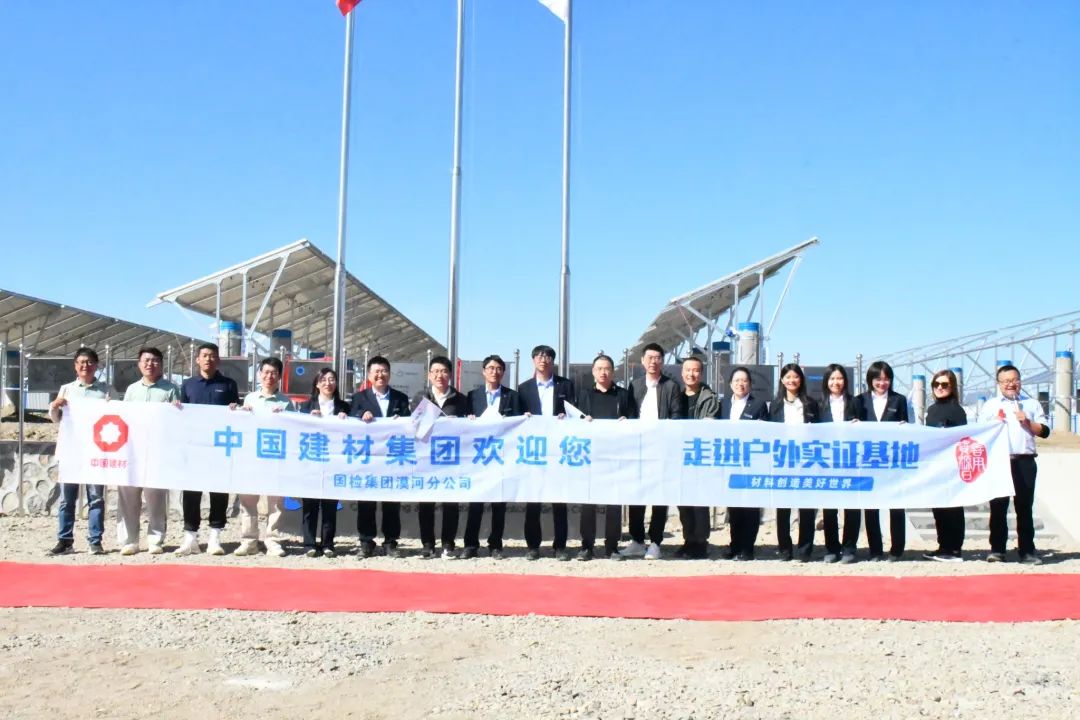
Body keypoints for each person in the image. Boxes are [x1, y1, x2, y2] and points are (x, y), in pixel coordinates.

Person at [977, 364, 1050, 564]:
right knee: (998, 507)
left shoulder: (1032, 404)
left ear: (1020, 381)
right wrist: (993, 423)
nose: (1011, 384)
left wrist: (1028, 422)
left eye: (1014, 380)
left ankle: (1027, 551)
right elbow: (980, 433)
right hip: (999, 462)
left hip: (1025, 461)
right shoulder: (990, 406)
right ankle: (997, 549)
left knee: (1024, 508)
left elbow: (1045, 431)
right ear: (999, 383)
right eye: (1006, 381)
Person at [47, 347, 111, 556]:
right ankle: (65, 541)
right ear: (75, 366)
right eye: (81, 362)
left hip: (97, 452)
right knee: (67, 499)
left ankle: (95, 541)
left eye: (90, 362)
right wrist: (55, 406)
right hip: (71, 451)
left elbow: (116, 416)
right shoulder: (66, 389)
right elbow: (56, 419)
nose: (86, 366)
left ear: (97, 365)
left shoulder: (106, 390)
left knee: (96, 498)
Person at [177, 342, 239, 556]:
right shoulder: (188, 385)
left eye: (212, 356)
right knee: (191, 492)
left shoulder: (229, 384)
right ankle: (190, 537)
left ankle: (215, 537)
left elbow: (237, 415)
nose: (208, 359)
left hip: (219, 448)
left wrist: (235, 409)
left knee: (219, 491)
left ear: (218, 360)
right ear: (197, 359)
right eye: (204, 355)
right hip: (194, 447)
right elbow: (181, 415)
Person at [625, 343, 686, 560]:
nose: (653, 361)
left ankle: (655, 542)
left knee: (660, 496)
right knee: (637, 495)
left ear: (662, 361)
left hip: (662, 449)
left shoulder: (671, 386)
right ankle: (637, 540)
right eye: (649, 357)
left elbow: (677, 415)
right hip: (639, 448)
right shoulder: (635, 385)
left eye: (658, 358)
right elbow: (630, 414)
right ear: (642, 361)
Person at [575, 354, 638, 560]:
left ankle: (612, 546)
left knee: (614, 503)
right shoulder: (584, 395)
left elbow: (634, 419)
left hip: (616, 457)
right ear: (593, 372)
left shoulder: (623, 394)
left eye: (607, 369)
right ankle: (587, 546)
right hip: (590, 456)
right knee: (588, 502)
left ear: (613, 372)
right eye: (599, 368)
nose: (603, 372)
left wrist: (626, 421)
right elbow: (574, 423)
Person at [118, 347, 180, 556]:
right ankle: (129, 540)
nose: (150, 364)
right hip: (132, 451)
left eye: (154, 361)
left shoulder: (171, 389)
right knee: (128, 497)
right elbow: (123, 417)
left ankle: (155, 540)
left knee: (156, 499)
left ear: (161, 364)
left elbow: (176, 420)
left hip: (157, 452)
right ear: (139, 364)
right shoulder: (131, 390)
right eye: (146, 360)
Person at [517, 344, 576, 561]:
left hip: (559, 451)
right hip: (534, 451)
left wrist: (566, 418)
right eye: (540, 356)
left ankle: (560, 546)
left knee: (559, 501)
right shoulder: (523, 388)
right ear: (533, 360)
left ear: (553, 361)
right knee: (533, 501)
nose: (544, 360)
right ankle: (533, 546)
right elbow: (516, 418)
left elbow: (574, 411)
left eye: (548, 356)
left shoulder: (566, 385)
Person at [350, 356, 411, 558]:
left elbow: (409, 424)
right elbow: (350, 422)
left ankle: (390, 542)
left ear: (389, 374)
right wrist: (361, 416)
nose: (380, 375)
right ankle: (366, 542)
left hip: (392, 458)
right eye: (376, 371)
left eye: (384, 371)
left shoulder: (401, 398)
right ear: (369, 375)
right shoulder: (359, 398)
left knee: (391, 502)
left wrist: (401, 421)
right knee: (366, 502)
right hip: (369, 459)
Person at [463, 354, 522, 560]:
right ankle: (471, 544)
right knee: (475, 503)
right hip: (479, 458)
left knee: (499, 504)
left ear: (503, 372)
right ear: (483, 371)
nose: (494, 372)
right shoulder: (472, 396)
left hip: (501, 457)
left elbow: (519, 424)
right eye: (490, 368)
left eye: (498, 368)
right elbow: (463, 425)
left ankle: (495, 544)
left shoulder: (512, 396)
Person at [236, 357, 295, 557]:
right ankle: (249, 540)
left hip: (276, 457)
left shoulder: (286, 402)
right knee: (247, 500)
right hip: (252, 457)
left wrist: (285, 416)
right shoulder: (250, 399)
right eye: (266, 372)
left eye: (274, 373)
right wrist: (241, 413)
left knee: (276, 503)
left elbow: (293, 429)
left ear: (279, 376)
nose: (269, 376)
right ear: (259, 374)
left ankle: (273, 540)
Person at [851, 360, 910, 561]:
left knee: (896, 506)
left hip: (893, 461)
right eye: (878, 379)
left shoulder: (899, 400)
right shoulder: (859, 400)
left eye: (886, 379)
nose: (882, 383)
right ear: (870, 380)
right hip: (869, 460)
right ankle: (875, 550)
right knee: (871, 507)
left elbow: (908, 430)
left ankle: (897, 549)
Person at [768, 363, 821, 561]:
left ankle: (805, 549)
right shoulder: (775, 405)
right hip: (783, 461)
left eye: (796, 377)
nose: (792, 380)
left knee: (806, 507)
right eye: (788, 377)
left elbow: (820, 432)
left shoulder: (810, 404)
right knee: (783, 508)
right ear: (782, 380)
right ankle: (784, 548)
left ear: (801, 380)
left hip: (806, 461)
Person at [717, 366, 769, 560]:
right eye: (737, 380)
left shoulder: (758, 405)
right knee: (734, 507)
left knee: (750, 507)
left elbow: (765, 433)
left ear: (750, 384)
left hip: (751, 463)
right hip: (730, 462)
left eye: (744, 380)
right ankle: (735, 545)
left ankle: (747, 548)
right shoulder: (723, 404)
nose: (741, 384)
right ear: (730, 384)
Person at [421, 355, 470, 559]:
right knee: (426, 503)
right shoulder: (421, 398)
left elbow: (470, 430)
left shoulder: (461, 400)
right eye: (435, 371)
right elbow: (414, 425)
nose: (439, 375)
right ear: (429, 375)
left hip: (452, 460)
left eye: (443, 371)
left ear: (450, 374)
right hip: (426, 459)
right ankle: (427, 544)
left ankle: (448, 544)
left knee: (451, 503)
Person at [298, 368, 349, 558]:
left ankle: (328, 543)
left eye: (332, 379)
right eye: (323, 380)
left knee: (330, 506)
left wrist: (347, 420)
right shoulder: (305, 406)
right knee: (310, 505)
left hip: (334, 462)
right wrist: (307, 420)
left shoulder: (345, 407)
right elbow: (297, 429)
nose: (328, 383)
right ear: (317, 384)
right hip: (311, 461)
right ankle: (309, 543)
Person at [676, 355, 719, 559]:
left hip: (700, 456)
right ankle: (688, 540)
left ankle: (700, 543)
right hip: (679, 457)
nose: (691, 374)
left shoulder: (710, 398)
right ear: (682, 373)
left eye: (695, 370)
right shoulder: (676, 396)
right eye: (687, 370)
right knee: (683, 501)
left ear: (701, 374)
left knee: (699, 502)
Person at [923, 369, 967, 562]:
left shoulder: (957, 410)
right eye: (936, 384)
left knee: (953, 507)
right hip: (935, 465)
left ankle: (954, 548)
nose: (939, 388)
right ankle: (943, 546)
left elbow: (962, 437)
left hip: (952, 465)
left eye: (944, 384)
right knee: (938, 507)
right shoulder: (932, 410)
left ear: (952, 387)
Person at [818, 364, 859, 563]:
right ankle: (831, 548)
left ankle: (849, 548)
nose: (836, 382)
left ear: (846, 381)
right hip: (827, 462)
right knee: (829, 508)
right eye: (832, 379)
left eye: (840, 378)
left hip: (850, 461)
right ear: (826, 381)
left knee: (852, 507)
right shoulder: (819, 405)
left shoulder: (855, 403)